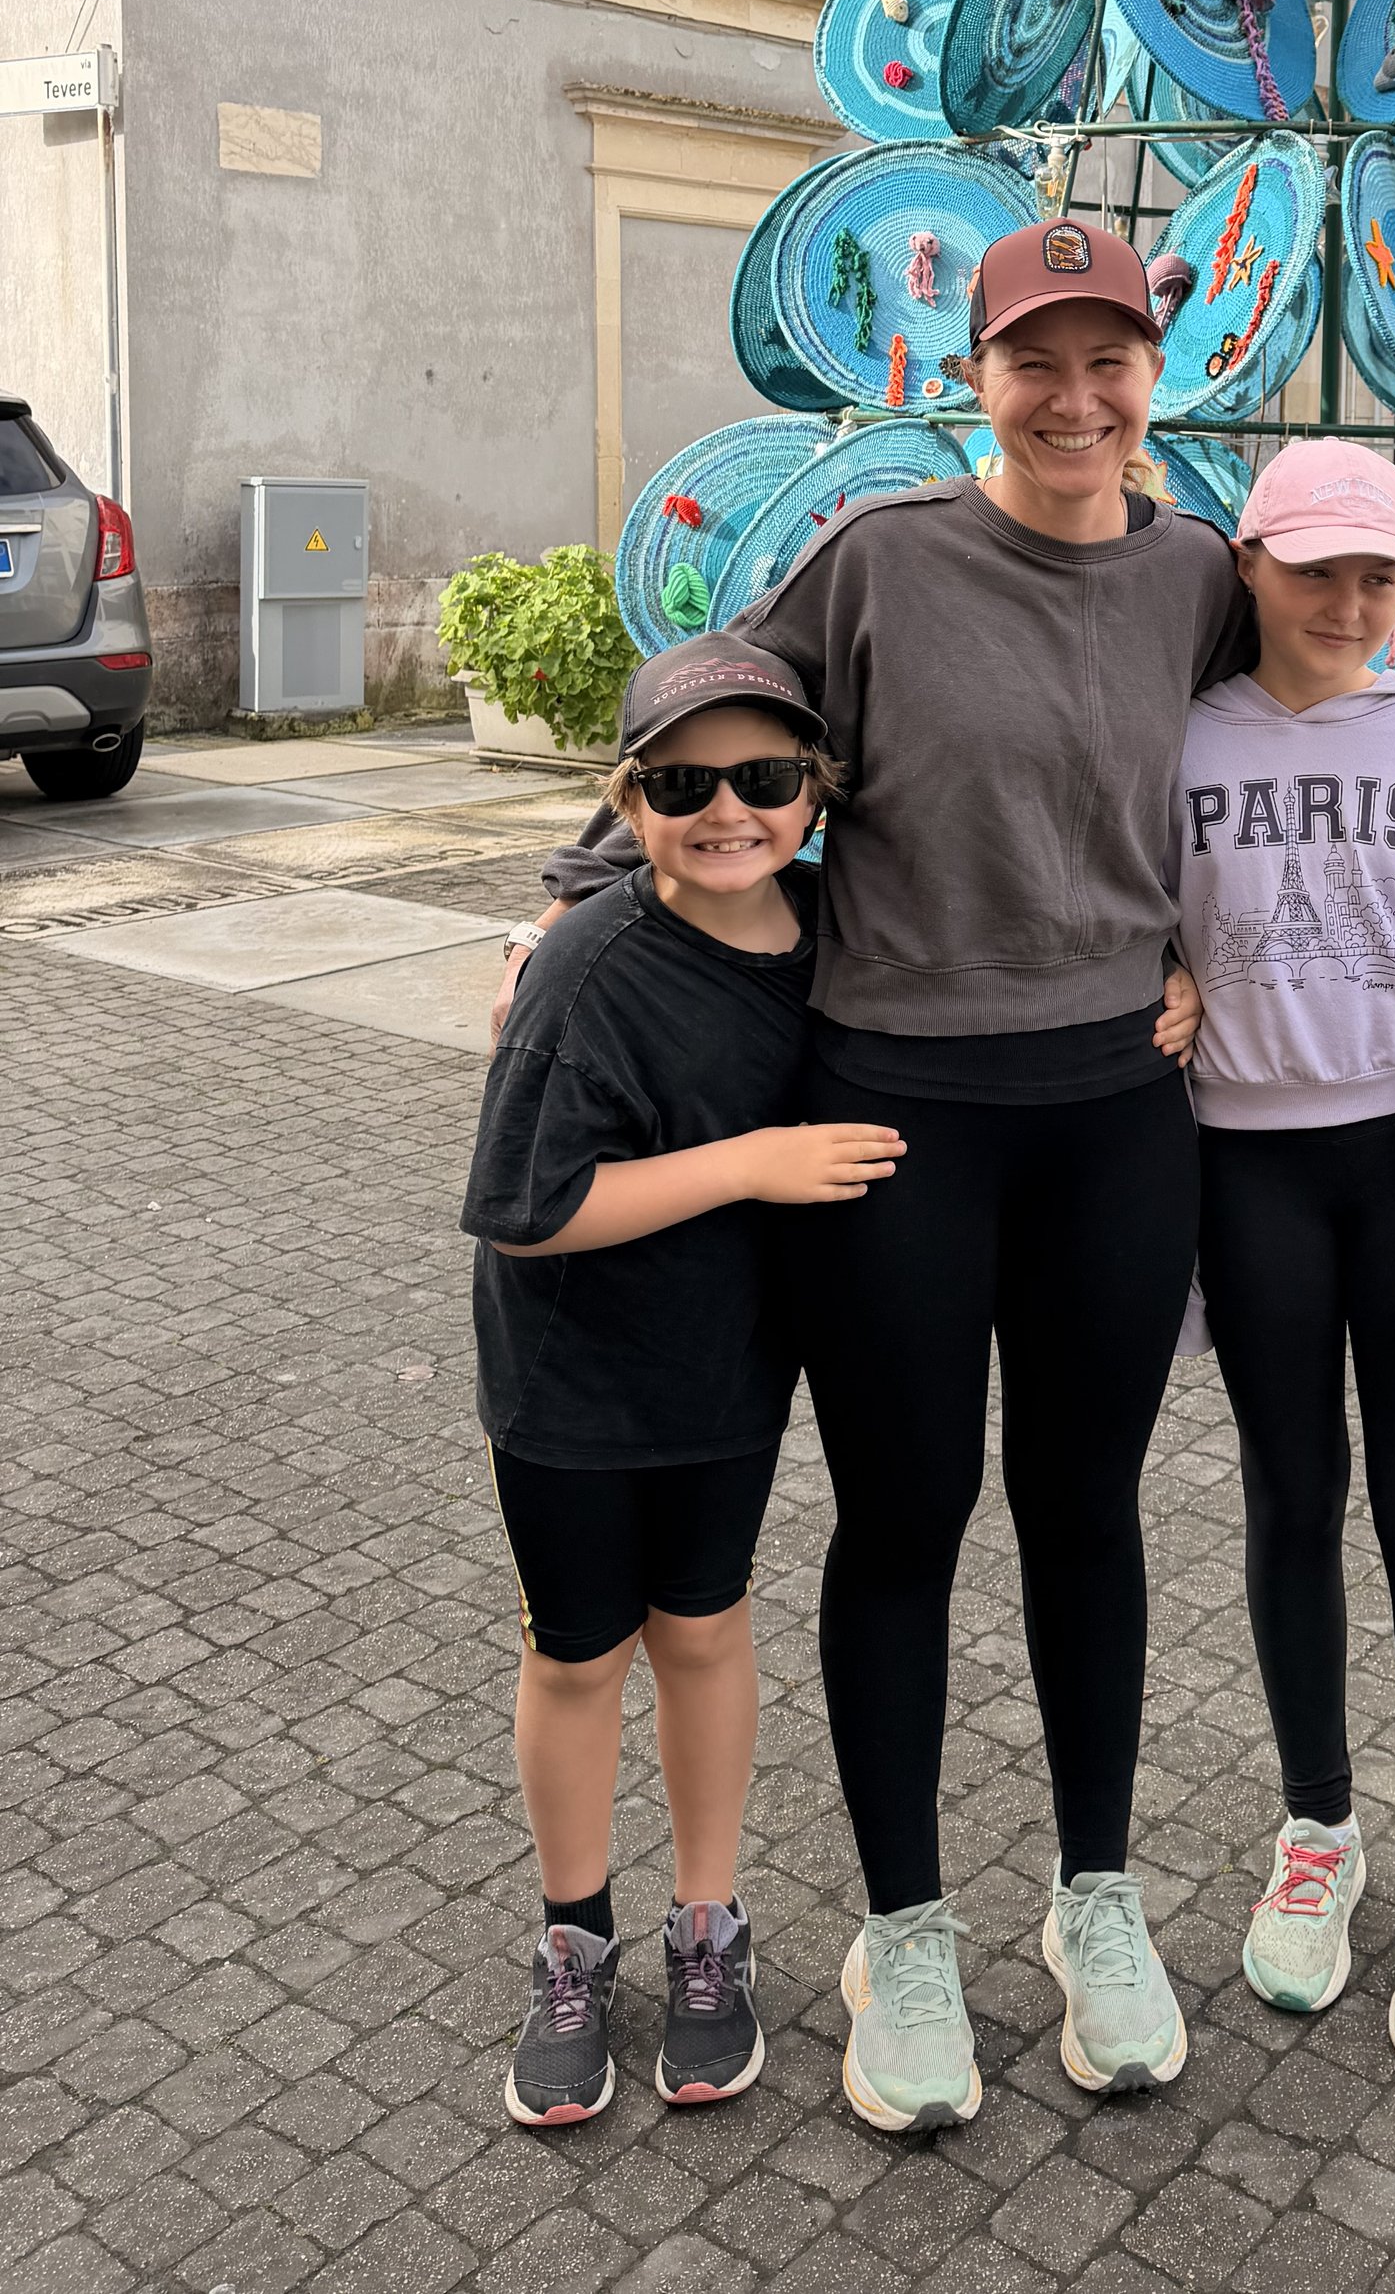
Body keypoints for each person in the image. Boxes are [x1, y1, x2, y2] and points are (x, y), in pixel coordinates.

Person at [496, 217, 1395, 2136]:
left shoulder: (1192, 574)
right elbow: (711, 717)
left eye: (1106, 360)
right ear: (973, 376)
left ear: (1152, 377)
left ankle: (1095, 1896)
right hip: (896, 1118)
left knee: (1085, 1513)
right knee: (905, 1520)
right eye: (1033, 361)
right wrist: (576, 892)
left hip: (1117, 1119)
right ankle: (901, 1932)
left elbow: (1315, 699)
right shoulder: (882, 559)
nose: (1073, 400)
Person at [465, 635, 899, 2128]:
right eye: (684, 784)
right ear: (627, 801)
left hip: (729, 1376)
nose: (729, 811)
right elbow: (527, 1207)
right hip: (571, 1382)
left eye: (766, 777)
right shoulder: (587, 965)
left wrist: (1175, 980)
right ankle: (573, 1937)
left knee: (704, 1630)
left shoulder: (843, 928)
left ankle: (708, 1927)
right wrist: (752, 1163)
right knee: (581, 1654)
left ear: (816, 792)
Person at [1174, 441, 1395, 2068]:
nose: (1344, 601)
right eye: (1314, 567)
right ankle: (1317, 1828)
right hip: (1245, 1164)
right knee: (1288, 1498)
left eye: (1376, 574)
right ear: (1247, 565)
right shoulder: (1183, 734)